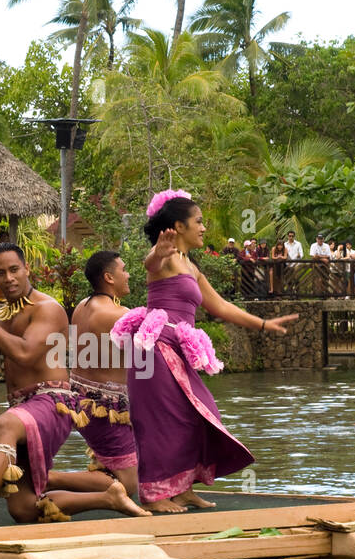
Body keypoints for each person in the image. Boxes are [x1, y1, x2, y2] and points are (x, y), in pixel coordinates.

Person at [116, 190, 298, 513]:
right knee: (162, 421)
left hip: (177, 350)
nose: (203, 227)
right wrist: (157, 252)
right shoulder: (165, 258)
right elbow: (150, 263)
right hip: (154, 349)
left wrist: (264, 324)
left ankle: (182, 488)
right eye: (198, 222)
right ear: (178, 226)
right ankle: (154, 494)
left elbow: (222, 307)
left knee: (198, 415)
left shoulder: (191, 266)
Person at [0, 242, 149, 531]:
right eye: (0, 273)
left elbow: (25, 353)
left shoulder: (48, 308)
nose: (9, 278)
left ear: (27, 268)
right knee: (24, 509)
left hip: (53, 401)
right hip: (23, 408)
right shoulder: (0, 317)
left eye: (14, 269)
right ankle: (108, 498)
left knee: (5, 424)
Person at [68, 251, 139, 498]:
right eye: (124, 269)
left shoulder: (82, 306)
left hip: (82, 404)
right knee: (132, 486)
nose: (128, 274)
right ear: (109, 277)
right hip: (106, 410)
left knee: (115, 469)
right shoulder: (116, 314)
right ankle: (47, 479)